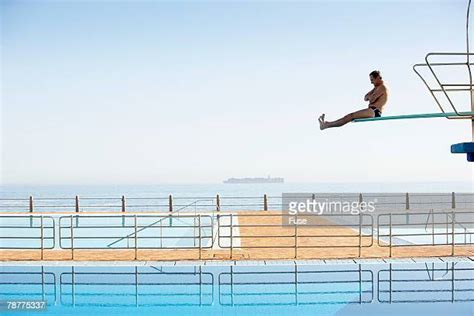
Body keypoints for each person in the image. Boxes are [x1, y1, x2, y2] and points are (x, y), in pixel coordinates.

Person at [318, 70, 388, 130]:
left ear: (378, 78)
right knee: (349, 116)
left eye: (372, 80)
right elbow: (365, 98)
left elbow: (371, 100)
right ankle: (327, 124)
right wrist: (370, 97)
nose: (371, 82)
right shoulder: (376, 88)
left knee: (350, 116)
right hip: (371, 110)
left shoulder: (382, 88)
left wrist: (370, 97)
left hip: (374, 111)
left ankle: (326, 125)